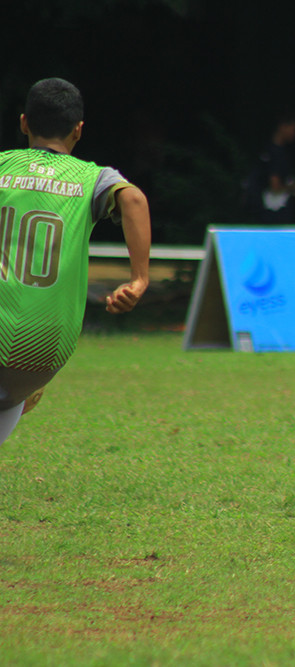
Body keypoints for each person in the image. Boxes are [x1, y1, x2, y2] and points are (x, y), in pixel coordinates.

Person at [0, 77, 151, 444]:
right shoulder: (91, 178)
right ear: (79, 131)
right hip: (43, 345)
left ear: (23, 123)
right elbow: (133, 200)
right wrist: (139, 279)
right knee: (16, 394)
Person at [244, 110, 295, 224]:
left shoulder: (270, 149)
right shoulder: (275, 153)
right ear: (283, 127)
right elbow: (275, 186)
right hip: (272, 212)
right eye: (293, 129)